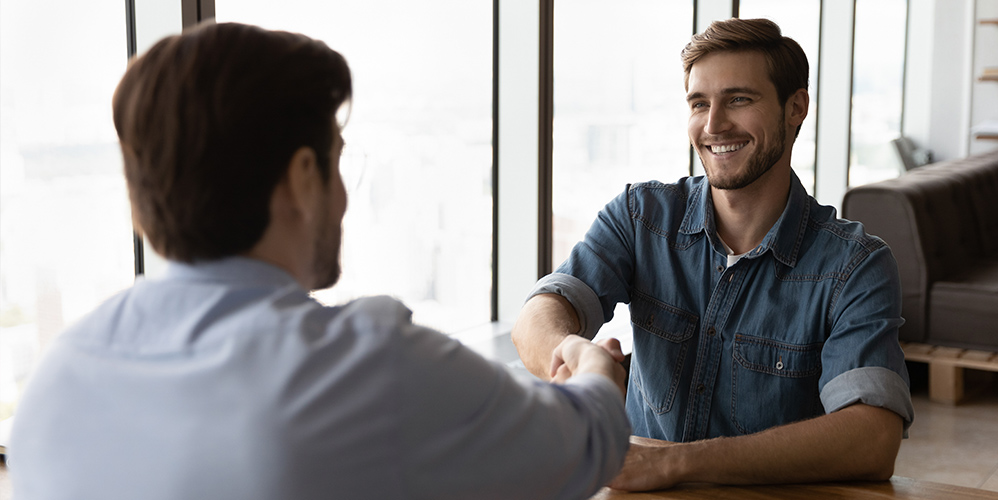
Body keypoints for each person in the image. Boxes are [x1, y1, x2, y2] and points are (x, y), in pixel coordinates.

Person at [9, 22, 630, 500]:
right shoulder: (365, 366)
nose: (341, 194)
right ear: (302, 178)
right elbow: (586, 444)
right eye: (335, 159)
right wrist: (592, 366)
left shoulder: (57, 379)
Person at [511, 18, 913, 491]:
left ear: (796, 108)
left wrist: (674, 465)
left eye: (739, 99)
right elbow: (537, 317)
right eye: (699, 103)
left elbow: (873, 438)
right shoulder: (641, 217)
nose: (714, 124)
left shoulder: (855, 265)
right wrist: (576, 354)